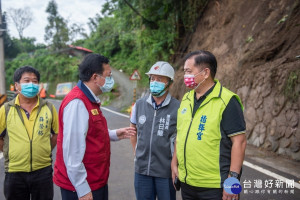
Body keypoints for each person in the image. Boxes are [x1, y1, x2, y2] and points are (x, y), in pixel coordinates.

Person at [53, 53, 136, 200]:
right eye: (108, 75)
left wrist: (114, 134)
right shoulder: (77, 103)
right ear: (95, 77)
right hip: (81, 187)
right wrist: (82, 189)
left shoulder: (89, 99)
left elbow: (90, 132)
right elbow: (72, 151)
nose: (111, 80)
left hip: (95, 181)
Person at [171, 50, 247, 200]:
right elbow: (180, 134)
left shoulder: (226, 100)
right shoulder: (186, 99)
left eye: (188, 71)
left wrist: (233, 181)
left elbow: (240, 142)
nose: (185, 76)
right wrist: (174, 162)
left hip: (214, 186)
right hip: (187, 182)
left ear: (205, 73)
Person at [0, 66, 58, 200]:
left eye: (35, 81)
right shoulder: (6, 109)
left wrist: (45, 149)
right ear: (17, 85)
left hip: (43, 171)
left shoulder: (49, 108)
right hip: (14, 172)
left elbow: (56, 134)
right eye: (26, 81)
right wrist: (9, 152)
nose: (31, 84)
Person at [130, 61, 180, 200]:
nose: (154, 82)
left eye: (159, 79)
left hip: (165, 172)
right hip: (141, 172)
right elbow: (132, 130)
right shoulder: (139, 105)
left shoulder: (178, 108)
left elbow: (179, 139)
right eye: (152, 78)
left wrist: (174, 163)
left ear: (169, 83)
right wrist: (137, 153)